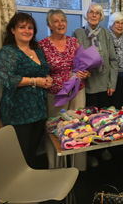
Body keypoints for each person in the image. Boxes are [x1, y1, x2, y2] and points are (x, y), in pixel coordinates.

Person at [0, 12, 53, 168]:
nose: (27, 31)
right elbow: (6, 79)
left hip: (38, 110)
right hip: (18, 112)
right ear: (13, 30)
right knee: (21, 152)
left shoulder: (38, 50)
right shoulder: (8, 52)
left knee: (33, 150)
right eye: (22, 27)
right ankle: (18, 188)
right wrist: (35, 81)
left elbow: (43, 71)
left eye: (30, 28)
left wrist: (47, 79)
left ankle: (31, 181)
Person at [39, 9, 90, 169]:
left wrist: (86, 72)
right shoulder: (42, 45)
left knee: (79, 125)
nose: (60, 24)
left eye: (63, 20)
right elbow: (39, 70)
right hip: (56, 94)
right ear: (49, 25)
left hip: (77, 90)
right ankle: (56, 167)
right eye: (56, 21)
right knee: (55, 128)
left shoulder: (74, 42)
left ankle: (78, 166)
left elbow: (84, 64)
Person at [73, 2, 118, 165]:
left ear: (101, 16)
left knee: (104, 120)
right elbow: (74, 59)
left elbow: (113, 60)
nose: (93, 15)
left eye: (97, 13)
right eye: (91, 12)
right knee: (89, 121)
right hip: (87, 85)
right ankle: (90, 153)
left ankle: (103, 148)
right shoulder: (78, 33)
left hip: (104, 85)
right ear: (86, 14)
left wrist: (112, 83)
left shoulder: (106, 33)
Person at [108, 12, 123, 109]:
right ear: (111, 24)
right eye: (117, 22)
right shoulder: (107, 39)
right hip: (113, 78)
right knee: (113, 107)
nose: (120, 26)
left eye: (122, 23)